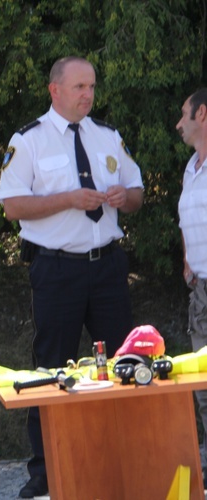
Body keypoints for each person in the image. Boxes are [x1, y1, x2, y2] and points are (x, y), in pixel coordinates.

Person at [0, 56, 144, 497]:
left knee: (126, 363)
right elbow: (12, 205)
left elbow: (136, 194)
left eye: (92, 86)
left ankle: (129, 457)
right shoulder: (29, 141)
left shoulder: (108, 136)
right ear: (54, 90)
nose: (88, 95)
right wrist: (66, 199)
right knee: (50, 369)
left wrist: (125, 196)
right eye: (79, 86)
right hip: (57, 269)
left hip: (109, 268)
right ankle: (45, 470)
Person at [176, 87, 207, 486]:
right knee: (203, 383)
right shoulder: (191, 167)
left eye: (184, 114)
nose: (179, 123)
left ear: (203, 114)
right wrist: (187, 260)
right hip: (201, 290)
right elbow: (186, 215)